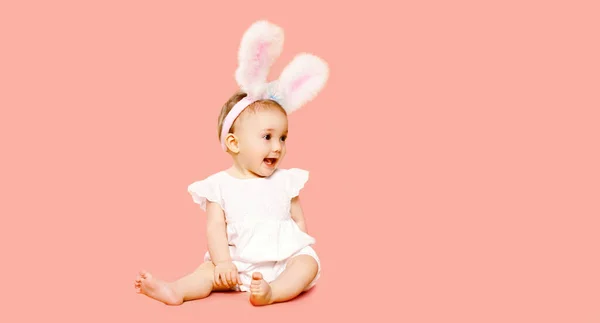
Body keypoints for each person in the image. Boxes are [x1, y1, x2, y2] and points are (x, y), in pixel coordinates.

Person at [134, 20, 329, 306]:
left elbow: (298, 219)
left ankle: (273, 292)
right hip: (235, 264)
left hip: (281, 260)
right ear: (234, 143)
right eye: (267, 137)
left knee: (307, 264)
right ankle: (176, 290)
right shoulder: (218, 186)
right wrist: (223, 263)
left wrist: (298, 248)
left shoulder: (286, 180)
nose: (278, 147)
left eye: (283, 138)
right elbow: (215, 228)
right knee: (206, 272)